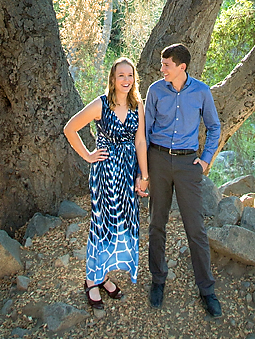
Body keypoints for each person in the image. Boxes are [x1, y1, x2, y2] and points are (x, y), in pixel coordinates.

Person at [63, 57, 149, 309]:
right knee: (103, 223)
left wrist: (143, 176)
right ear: (112, 79)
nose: (126, 80)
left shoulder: (137, 105)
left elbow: (140, 141)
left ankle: (103, 276)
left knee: (122, 223)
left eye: (130, 75)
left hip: (128, 173)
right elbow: (70, 128)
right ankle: (92, 280)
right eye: (121, 75)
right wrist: (89, 155)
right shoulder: (101, 105)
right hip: (106, 174)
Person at [144, 43, 222, 317]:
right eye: (162, 64)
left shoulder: (201, 91)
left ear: (181, 67)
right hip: (159, 161)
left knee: (196, 228)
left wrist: (206, 161)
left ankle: (207, 290)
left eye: (166, 65)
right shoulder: (155, 91)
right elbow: (144, 131)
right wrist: (142, 173)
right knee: (156, 224)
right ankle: (157, 280)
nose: (161, 69)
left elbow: (214, 127)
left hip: (189, 164)